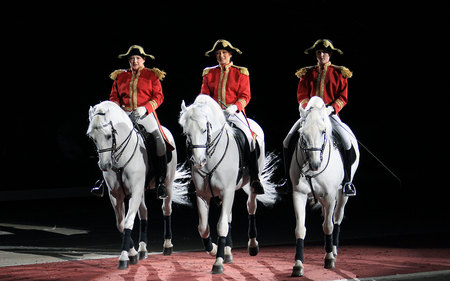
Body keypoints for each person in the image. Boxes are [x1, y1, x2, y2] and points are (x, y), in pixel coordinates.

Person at [91, 45, 170, 199]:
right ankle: (102, 180)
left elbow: (159, 97)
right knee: (106, 139)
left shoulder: (152, 76)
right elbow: (114, 97)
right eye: (132, 59)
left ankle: (160, 181)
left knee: (159, 140)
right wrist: (118, 109)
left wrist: (145, 108)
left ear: (143, 60)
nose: (134, 61)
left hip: (144, 114)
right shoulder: (120, 77)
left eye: (137, 58)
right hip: (123, 114)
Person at [281, 39, 357, 196]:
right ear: (316, 54)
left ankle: (347, 181)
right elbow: (302, 95)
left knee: (347, 142)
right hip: (309, 115)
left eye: (324, 53)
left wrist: (332, 109)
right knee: (287, 141)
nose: (321, 55)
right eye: (319, 52)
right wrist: (307, 107)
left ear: (329, 55)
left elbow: (343, 97)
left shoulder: (339, 73)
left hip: (330, 115)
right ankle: (287, 179)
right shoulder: (308, 73)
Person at [198, 39, 264, 194]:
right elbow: (204, 94)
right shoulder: (209, 73)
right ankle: (196, 175)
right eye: (218, 54)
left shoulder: (240, 72)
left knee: (250, 138)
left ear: (230, 55)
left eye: (224, 53)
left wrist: (235, 107)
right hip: (214, 115)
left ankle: (254, 178)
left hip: (234, 113)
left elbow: (245, 95)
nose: (221, 56)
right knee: (197, 136)